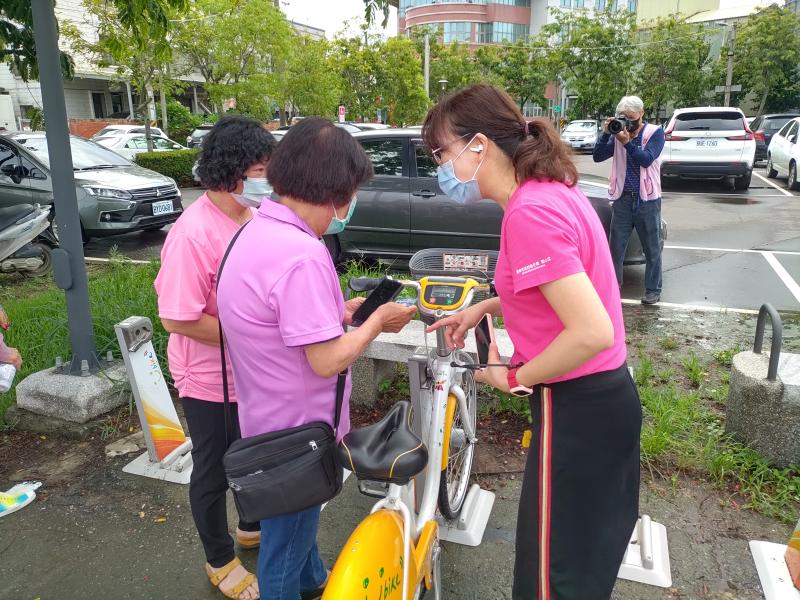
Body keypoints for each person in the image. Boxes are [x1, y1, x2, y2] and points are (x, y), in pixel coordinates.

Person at [423, 85, 641, 600]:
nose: (442, 167)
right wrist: (485, 306)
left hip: (576, 410)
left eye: (441, 152)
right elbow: (559, 292)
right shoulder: (552, 192)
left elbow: (591, 331)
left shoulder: (529, 212)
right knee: (580, 565)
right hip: (603, 404)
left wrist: (514, 377)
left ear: (478, 146)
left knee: (551, 578)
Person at [216, 117, 416, 600]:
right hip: (299, 436)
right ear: (336, 191)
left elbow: (278, 320)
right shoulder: (301, 254)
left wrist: (338, 313)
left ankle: (315, 582)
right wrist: (374, 323)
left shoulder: (254, 232)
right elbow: (326, 362)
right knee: (284, 547)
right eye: (349, 195)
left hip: (266, 419)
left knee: (298, 530)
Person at [154, 116, 277, 600]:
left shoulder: (251, 216)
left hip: (250, 370)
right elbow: (178, 318)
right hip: (209, 377)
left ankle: (249, 526)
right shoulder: (192, 234)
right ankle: (219, 557)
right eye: (263, 168)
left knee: (251, 453)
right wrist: (252, 334)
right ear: (233, 171)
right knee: (213, 468)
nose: (270, 179)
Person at [593, 95, 665, 305]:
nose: (628, 121)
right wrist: (606, 134)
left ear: (641, 114)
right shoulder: (617, 134)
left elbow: (646, 159)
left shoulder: (654, 133)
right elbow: (597, 156)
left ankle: (653, 290)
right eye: (623, 117)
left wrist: (627, 143)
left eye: (631, 117)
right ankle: (613, 288)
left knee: (651, 248)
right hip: (623, 198)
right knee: (616, 248)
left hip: (647, 200)